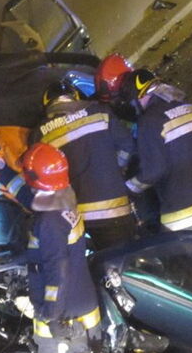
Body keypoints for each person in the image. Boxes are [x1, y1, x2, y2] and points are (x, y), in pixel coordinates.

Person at [20, 143, 104, 353]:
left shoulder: (49, 223)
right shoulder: (66, 198)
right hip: (86, 309)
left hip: (63, 317)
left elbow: (58, 271)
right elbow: (30, 195)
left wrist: (48, 312)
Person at [33, 79, 137, 250]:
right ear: (75, 96)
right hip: (115, 211)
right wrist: (115, 168)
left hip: (78, 218)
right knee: (125, 263)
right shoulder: (100, 112)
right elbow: (127, 146)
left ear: (47, 104)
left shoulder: (40, 134)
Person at [120, 68, 192, 233]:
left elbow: (153, 171)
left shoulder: (150, 121)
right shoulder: (188, 107)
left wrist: (128, 188)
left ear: (140, 96)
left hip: (185, 216)